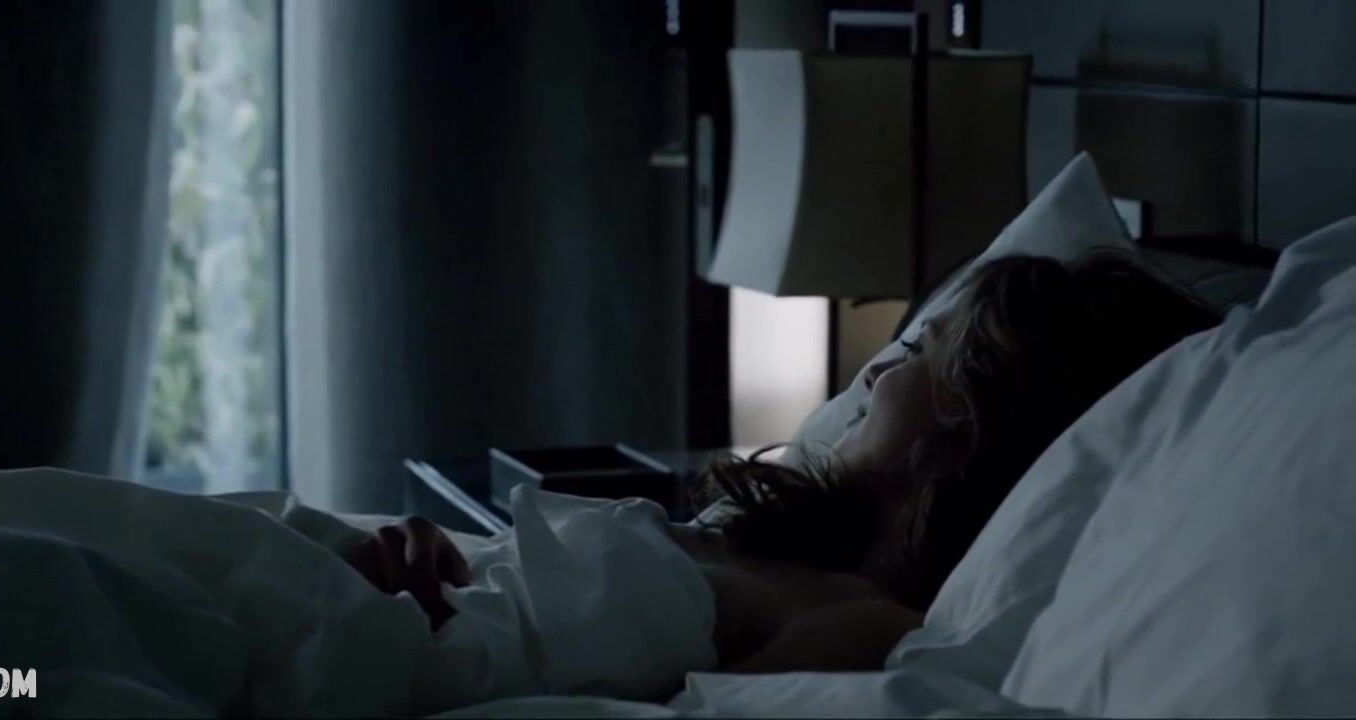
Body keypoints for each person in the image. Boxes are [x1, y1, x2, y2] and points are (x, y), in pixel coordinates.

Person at [343, 251, 1222, 677]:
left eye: (915, 348)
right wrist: (441, 562)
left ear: (968, 419)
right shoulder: (772, 542)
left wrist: (441, 628)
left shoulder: (866, 627)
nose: (873, 371)